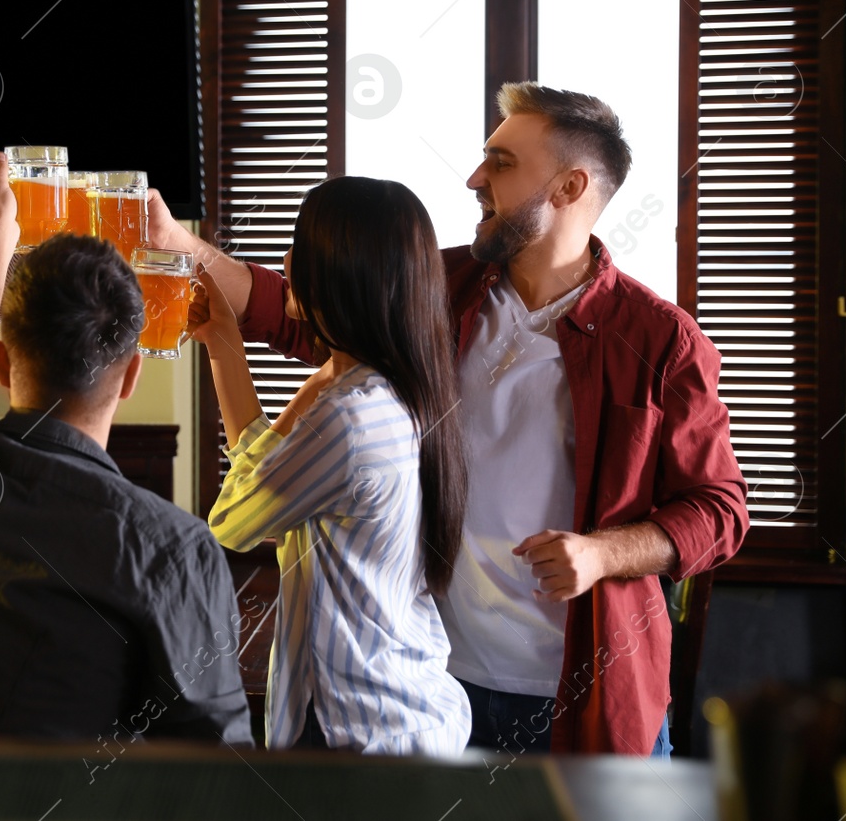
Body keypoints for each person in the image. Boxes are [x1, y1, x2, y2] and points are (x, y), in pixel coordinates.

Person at [153, 82, 749, 756]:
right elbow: (310, 309)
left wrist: (602, 552)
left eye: (500, 163)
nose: (474, 178)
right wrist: (181, 245)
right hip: (438, 687)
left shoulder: (661, 338)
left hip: (583, 700)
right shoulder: (442, 288)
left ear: (569, 185)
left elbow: (719, 510)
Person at [0, 153, 252, 747]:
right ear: (131, 377)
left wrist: (1, 228)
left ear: (2, 362)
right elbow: (217, 768)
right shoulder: (171, 549)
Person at [191, 176, 471, 756]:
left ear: (341, 273)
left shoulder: (347, 416)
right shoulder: (406, 390)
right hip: (411, 709)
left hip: (353, 731)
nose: (287, 261)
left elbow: (235, 521)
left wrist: (253, 362)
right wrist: (224, 344)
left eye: (301, 245)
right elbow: (273, 500)